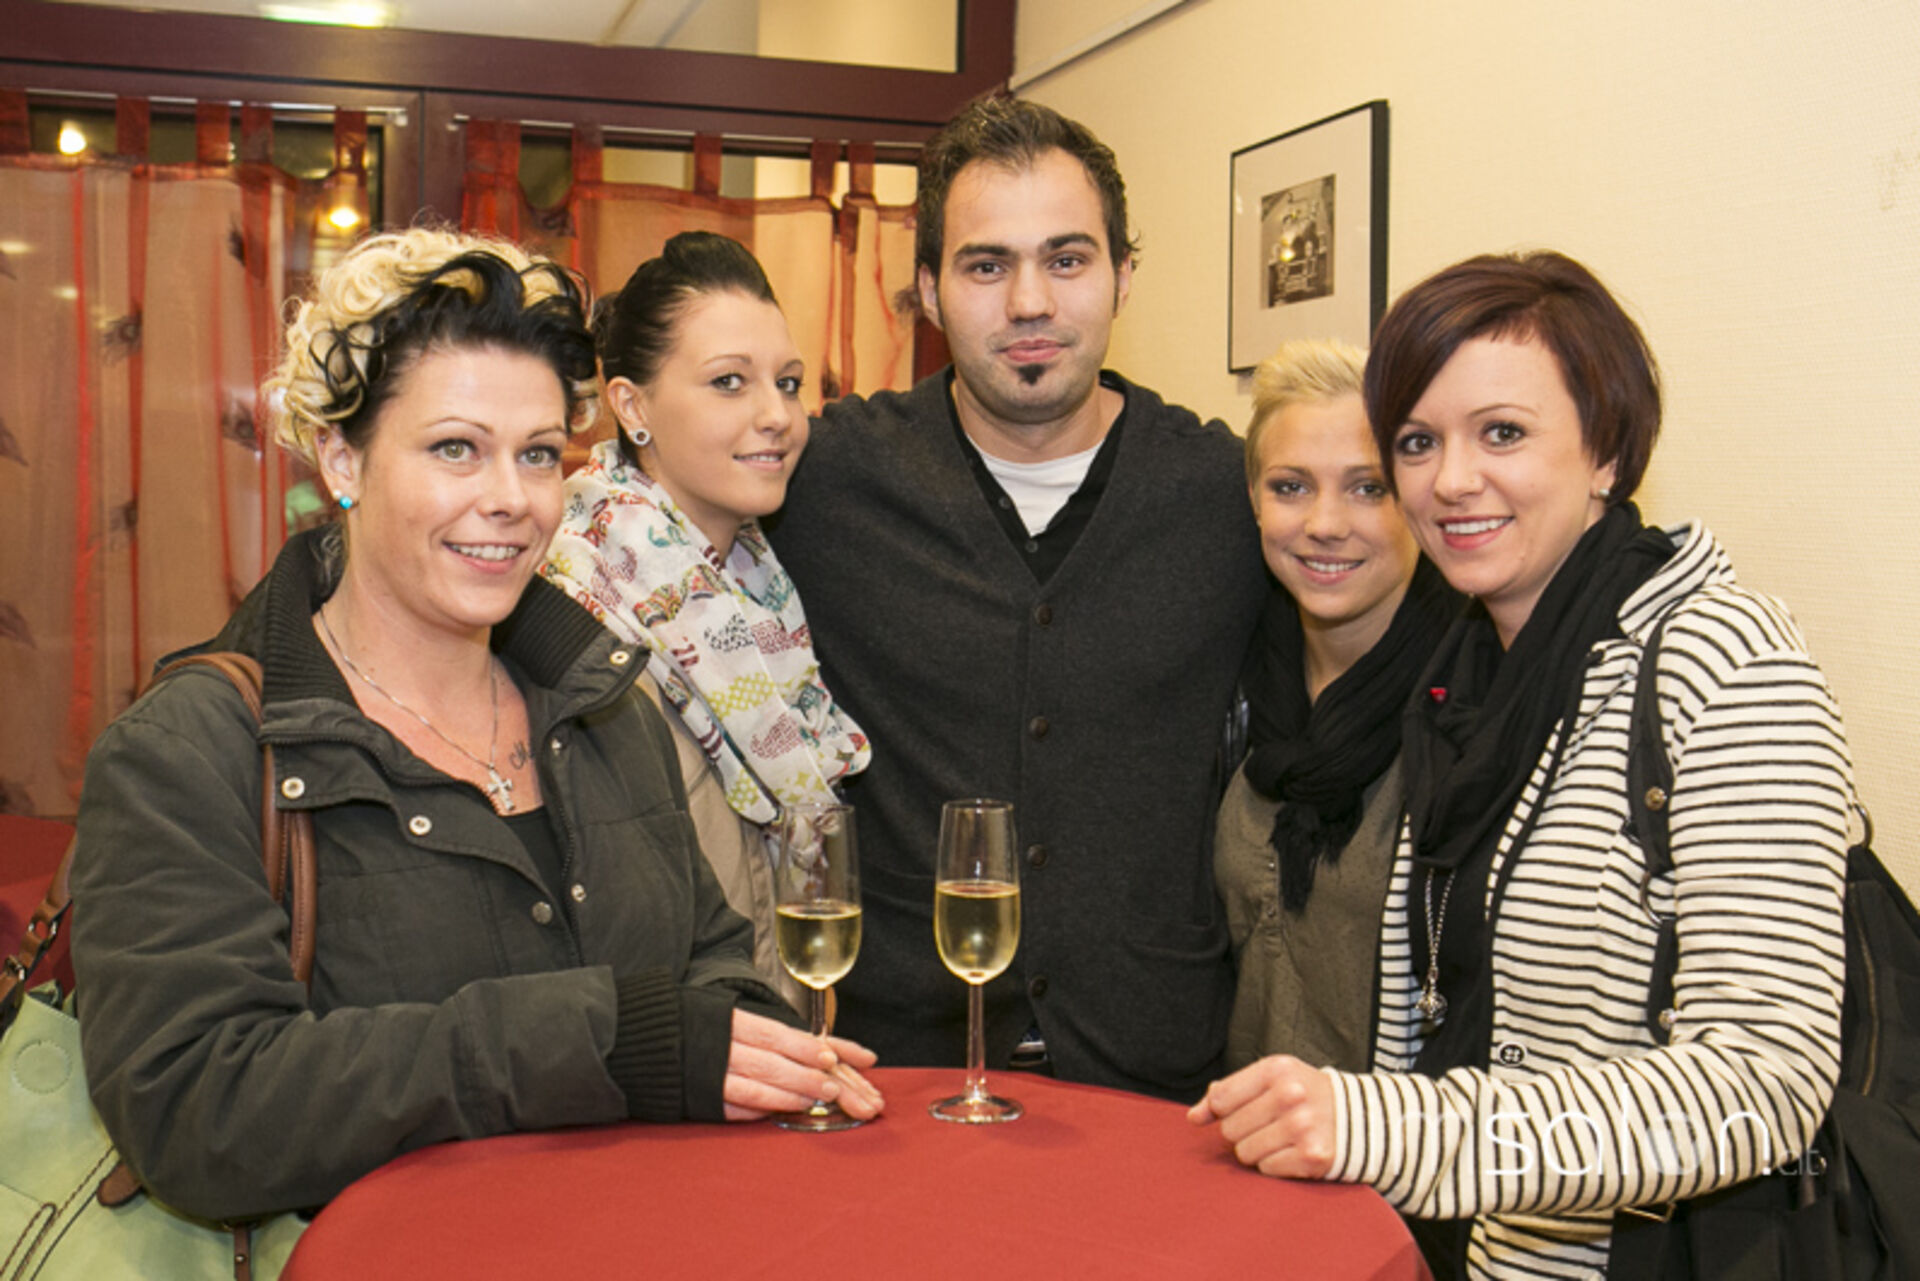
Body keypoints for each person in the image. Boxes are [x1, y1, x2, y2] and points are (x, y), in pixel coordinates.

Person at [68, 228, 882, 1223]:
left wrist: (728, 1039)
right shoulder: (192, 754)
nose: (509, 500)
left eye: (537, 454)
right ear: (341, 457)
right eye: (456, 448)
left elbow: (714, 967)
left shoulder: (603, 704)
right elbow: (197, 1114)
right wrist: (595, 1038)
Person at [1189, 250, 1852, 1278]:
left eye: (1502, 432)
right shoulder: (1464, 680)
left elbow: (1764, 1083)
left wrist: (1387, 1127)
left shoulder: (1724, 660)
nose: (1452, 480)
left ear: (1607, 450)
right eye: (1418, 442)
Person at [767, 96, 1267, 1101]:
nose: (1030, 301)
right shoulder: (821, 481)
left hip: (1154, 1077)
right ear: (928, 290)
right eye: (987, 266)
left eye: (1067, 259)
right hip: (890, 1072)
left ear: (1125, 275)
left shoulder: (1231, 494)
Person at [543, 231, 870, 1012]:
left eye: (788, 383)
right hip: (654, 1052)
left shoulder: (760, 591)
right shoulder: (575, 611)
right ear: (631, 405)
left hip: (775, 1036)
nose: (777, 415)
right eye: (729, 382)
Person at [1217, 339, 1457, 1074]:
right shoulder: (1231, 679)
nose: (1324, 522)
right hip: (1233, 1125)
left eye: (1367, 488)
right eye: (1291, 486)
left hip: (1407, 1139)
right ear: (1253, 497)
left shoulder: (1468, 707)